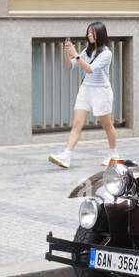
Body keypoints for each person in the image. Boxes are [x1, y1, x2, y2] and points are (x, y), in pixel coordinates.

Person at [49, 22, 118, 169]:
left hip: (101, 91)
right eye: (88, 32)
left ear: (100, 34)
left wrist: (75, 54)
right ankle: (66, 155)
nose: (89, 35)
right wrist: (67, 53)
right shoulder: (87, 51)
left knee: (107, 124)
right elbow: (70, 66)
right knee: (77, 124)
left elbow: (89, 69)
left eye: (92, 32)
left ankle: (114, 154)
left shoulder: (106, 53)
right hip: (85, 90)